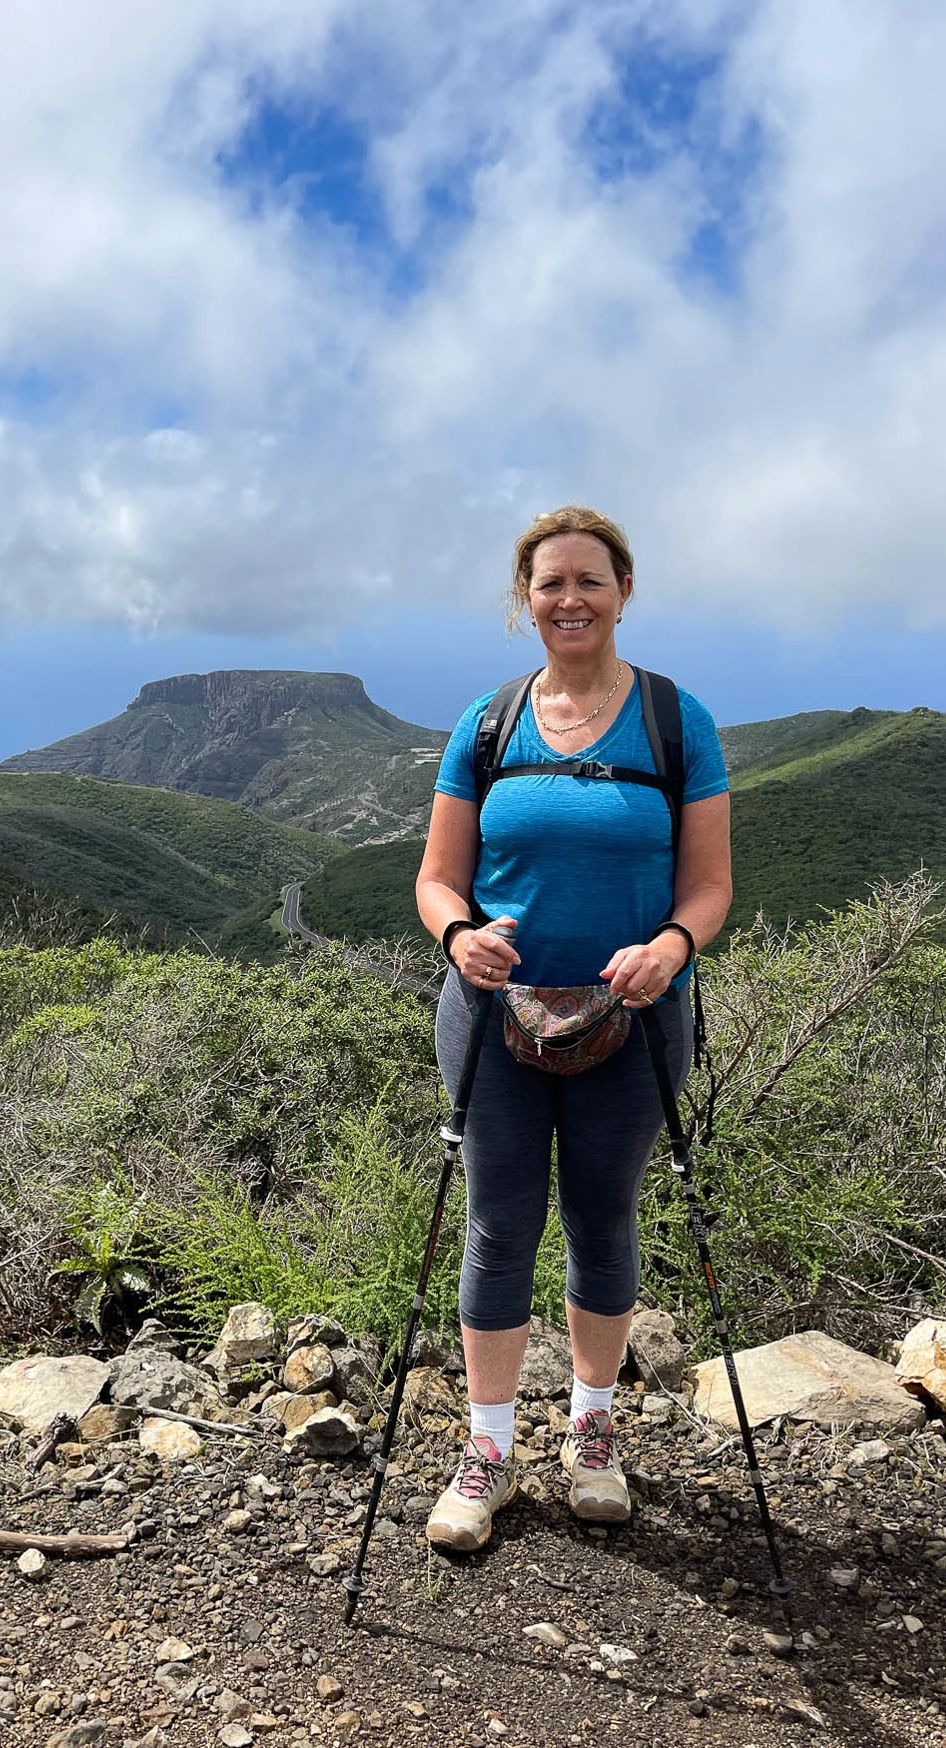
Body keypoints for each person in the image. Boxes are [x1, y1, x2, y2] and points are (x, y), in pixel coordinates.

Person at [414, 505, 732, 1551]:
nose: (570, 599)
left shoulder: (678, 723)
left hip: (632, 1016)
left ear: (623, 590)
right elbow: (436, 879)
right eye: (550, 583)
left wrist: (671, 950)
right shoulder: (489, 723)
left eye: (589, 580)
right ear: (527, 600)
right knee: (499, 1224)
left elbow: (710, 888)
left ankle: (592, 1434)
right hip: (491, 1013)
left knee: (603, 1219)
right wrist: (460, 935)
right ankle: (490, 1449)